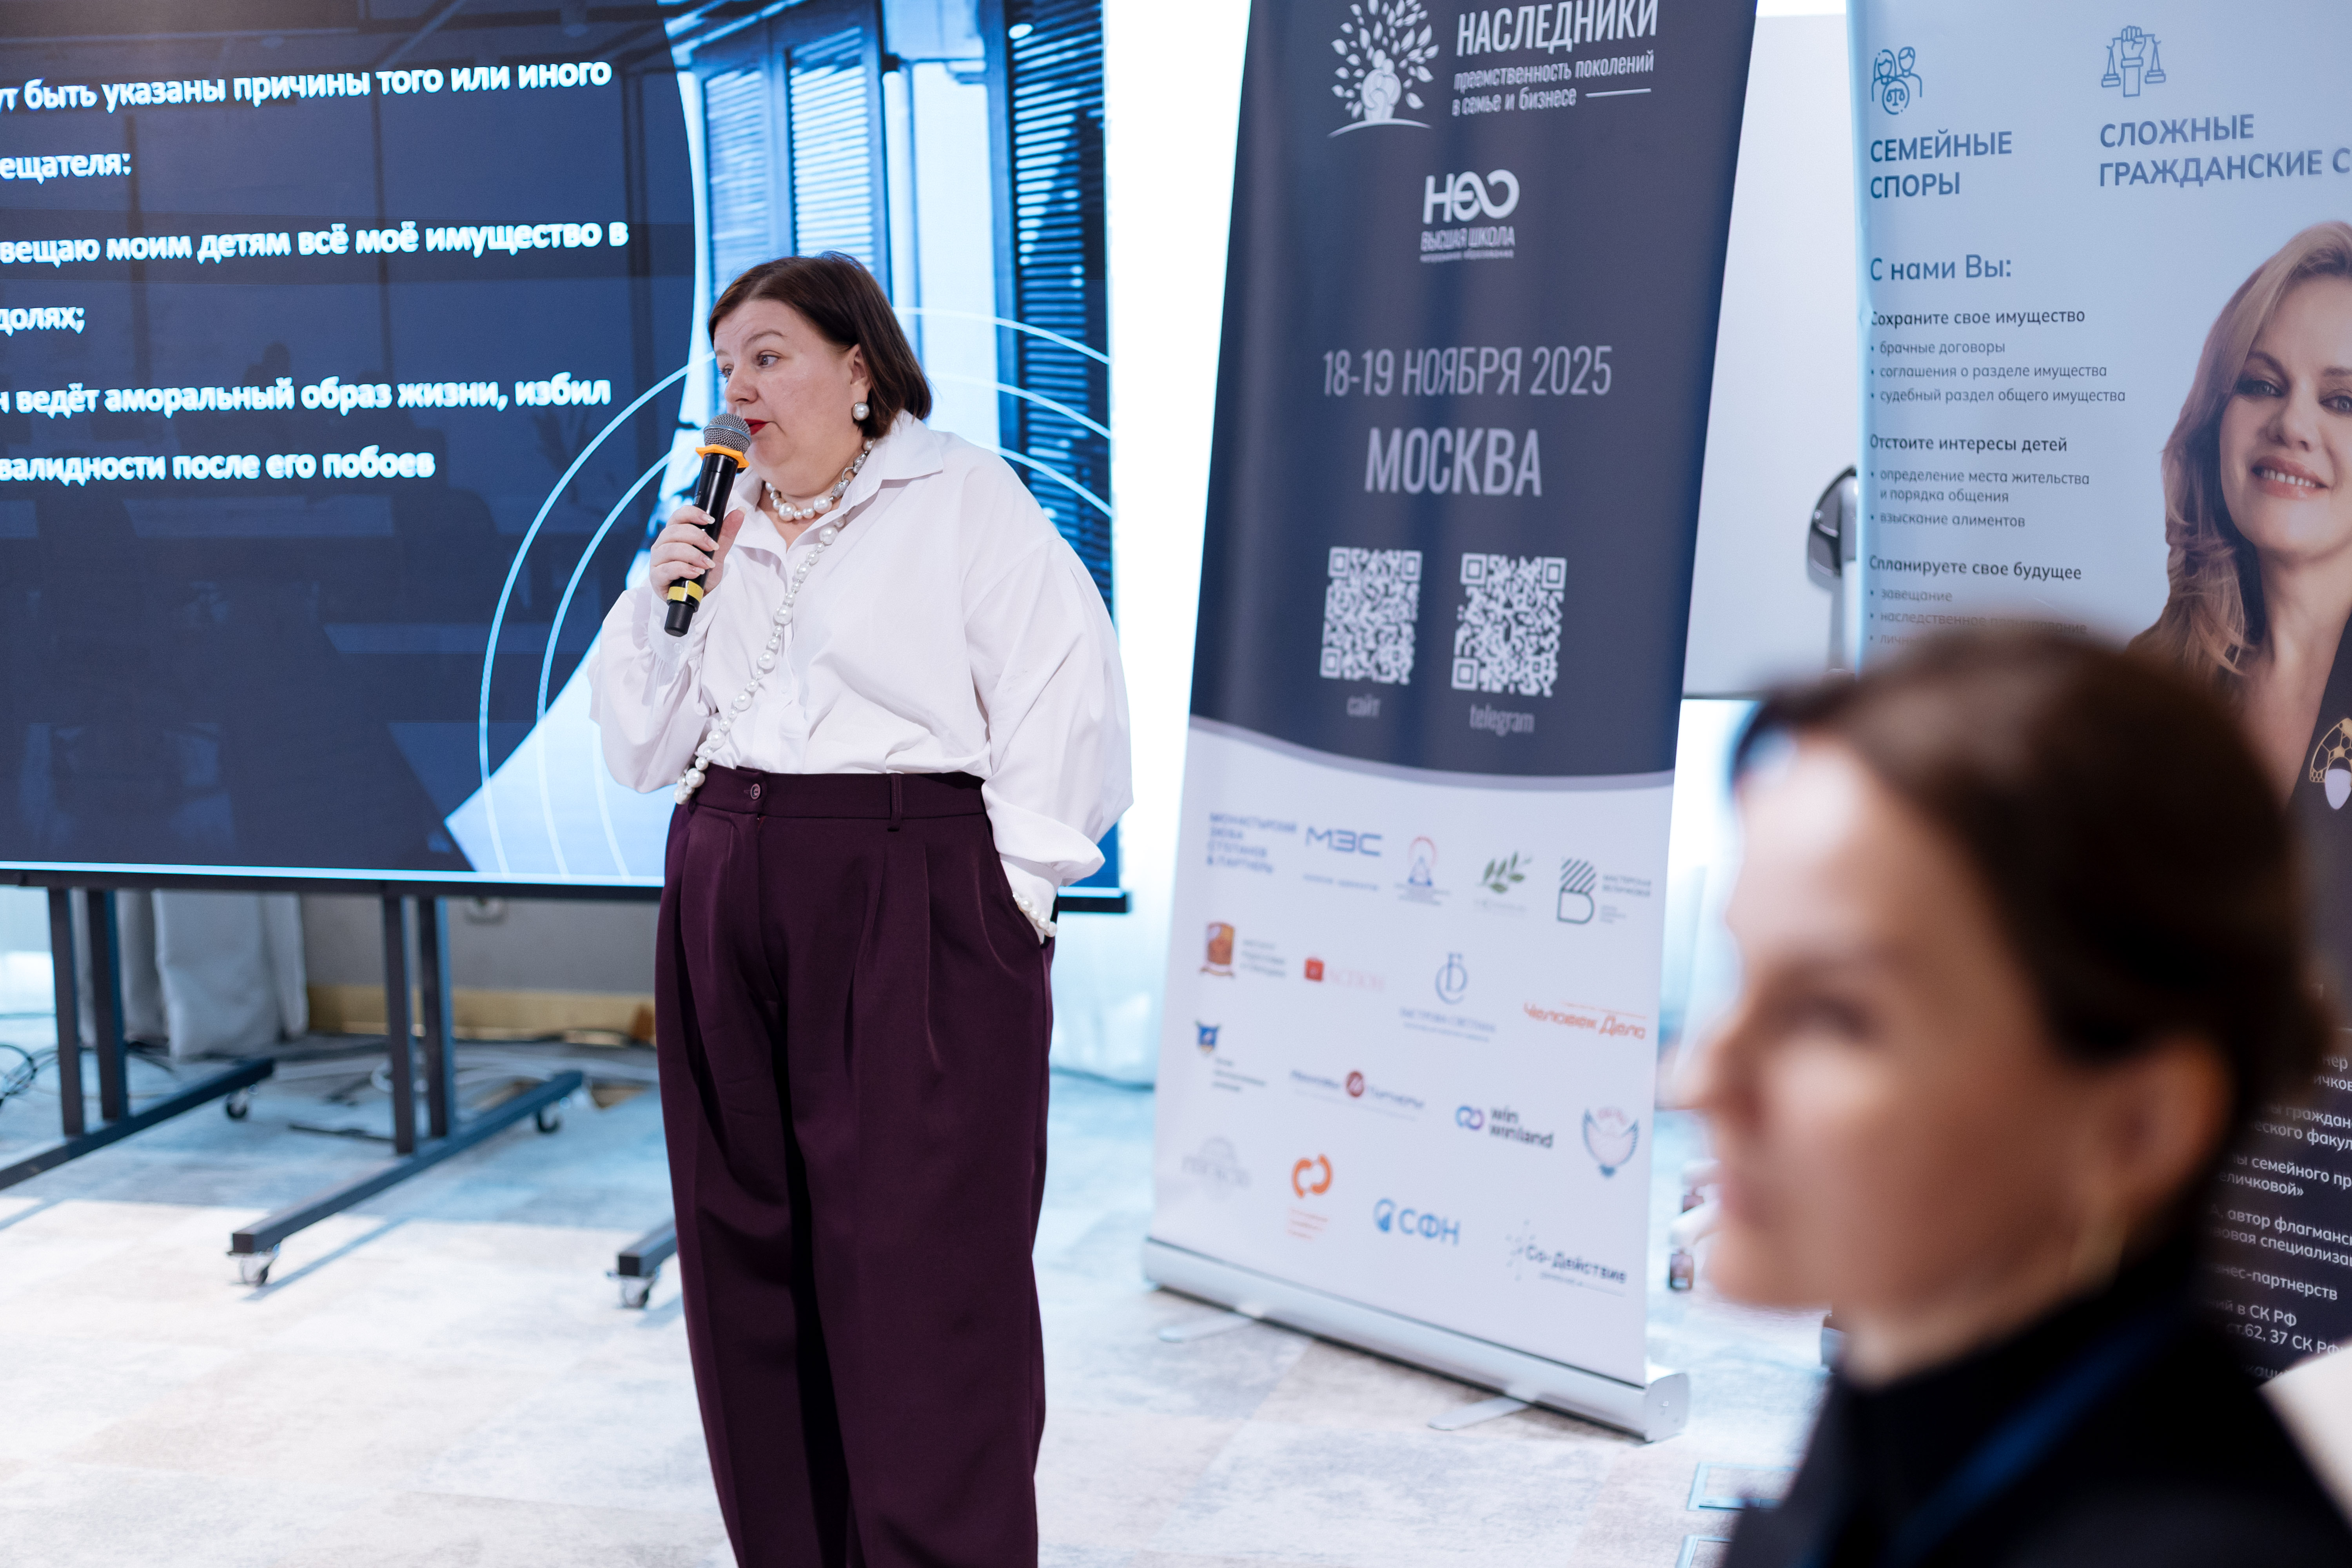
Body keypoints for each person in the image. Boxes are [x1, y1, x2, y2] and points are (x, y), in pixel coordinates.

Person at [589, 252, 1130, 1567]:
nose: (741, 389)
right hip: (726, 878)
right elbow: (640, 752)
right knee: (745, 1256)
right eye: (727, 366)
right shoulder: (711, 529)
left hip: (910, 889)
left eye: (770, 357)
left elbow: (1067, 695)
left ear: (860, 369)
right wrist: (666, 602)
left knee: (925, 1271)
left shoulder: (961, 497)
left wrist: (1007, 902)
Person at [1683, 631, 2352, 1567]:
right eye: (1744, 974)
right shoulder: (1905, 1395)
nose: (1697, 1081)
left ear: (2137, 1128)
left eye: (1834, 1016)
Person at [2136, 220, 2352, 969]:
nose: (2293, 425)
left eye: (2343, 401)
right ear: (2213, 422)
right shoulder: (2150, 683)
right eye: (2262, 385)